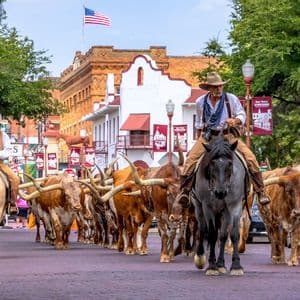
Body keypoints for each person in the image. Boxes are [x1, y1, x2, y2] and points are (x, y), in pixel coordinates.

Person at [177, 72, 269, 207]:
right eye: (215, 87)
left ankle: (261, 191)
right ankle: (184, 191)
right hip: (208, 136)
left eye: (220, 86)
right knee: (190, 160)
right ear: (209, 88)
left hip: (228, 135)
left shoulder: (230, 99)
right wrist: (198, 141)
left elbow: (241, 114)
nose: (219, 89)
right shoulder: (200, 102)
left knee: (251, 158)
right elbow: (199, 124)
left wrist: (235, 120)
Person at [0, 128, 20, 205]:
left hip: (0, 164)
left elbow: (7, 152)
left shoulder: (3, 135)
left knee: (15, 179)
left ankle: (12, 203)